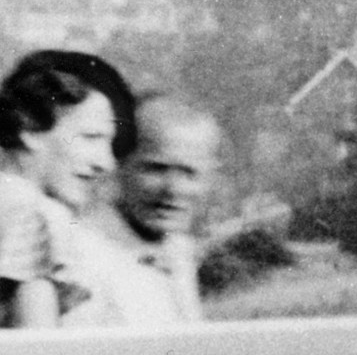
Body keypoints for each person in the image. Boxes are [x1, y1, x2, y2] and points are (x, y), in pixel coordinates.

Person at [0, 50, 137, 329]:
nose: (107, 163)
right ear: (29, 128)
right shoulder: (35, 213)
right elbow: (39, 354)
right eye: (91, 137)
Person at [73, 95, 219, 325]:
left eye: (190, 173)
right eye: (156, 169)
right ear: (118, 164)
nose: (173, 189)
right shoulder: (82, 254)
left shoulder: (178, 250)